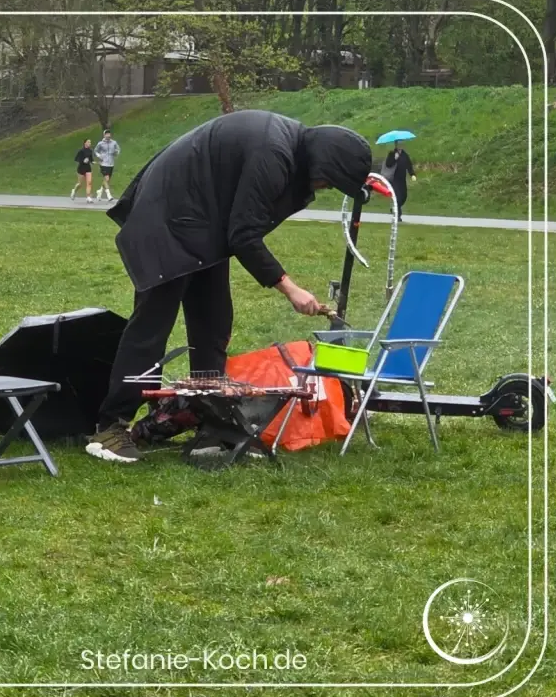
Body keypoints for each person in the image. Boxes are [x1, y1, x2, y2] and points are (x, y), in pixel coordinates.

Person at [85, 109, 373, 463]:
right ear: (322, 162)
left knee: (213, 324)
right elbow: (244, 234)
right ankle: (111, 428)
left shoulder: (287, 147)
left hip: (203, 226)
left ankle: (215, 427)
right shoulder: (274, 153)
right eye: (328, 180)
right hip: (168, 220)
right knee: (151, 327)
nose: (325, 187)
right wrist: (290, 288)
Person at [382, 141, 416, 222]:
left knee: (403, 197)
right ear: (396, 145)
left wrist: (412, 174)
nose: (400, 146)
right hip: (394, 179)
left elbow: (409, 165)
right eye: (399, 144)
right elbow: (388, 164)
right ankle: (397, 215)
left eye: (402, 144)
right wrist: (394, 158)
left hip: (402, 180)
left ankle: (394, 208)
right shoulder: (392, 153)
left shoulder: (405, 155)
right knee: (398, 197)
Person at [94, 128, 121, 201]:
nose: (108, 135)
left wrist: (116, 152)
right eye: (107, 134)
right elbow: (95, 151)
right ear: (104, 135)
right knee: (107, 178)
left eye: (109, 134)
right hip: (103, 163)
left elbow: (118, 149)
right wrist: (99, 156)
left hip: (111, 164)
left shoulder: (114, 143)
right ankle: (109, 195)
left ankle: (99, 191)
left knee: (107, 180)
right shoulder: (100, 143)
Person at [71, 138, 94, 203]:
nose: (90, 143)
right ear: (85, 143)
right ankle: (74, 191)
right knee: (80, 184)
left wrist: (92, 162)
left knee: (89, 182)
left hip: (88, 168)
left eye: (90, 142)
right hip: (81, 168)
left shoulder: (90, 150)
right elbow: (76, 159)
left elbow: (91, 159)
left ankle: (88, 197)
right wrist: (83, 161)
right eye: (88, 142)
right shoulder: (81, 151)